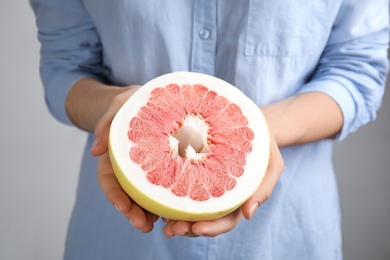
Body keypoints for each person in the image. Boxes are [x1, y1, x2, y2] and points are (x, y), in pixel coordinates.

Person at [30, 0, 389, 259]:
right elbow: (65, 68)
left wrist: (251, 135)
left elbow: (357, 72)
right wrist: (117, 111)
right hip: (118, 238)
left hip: (285, 236)